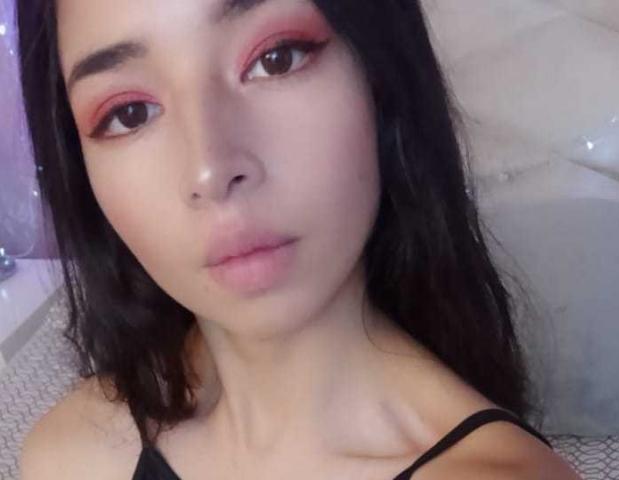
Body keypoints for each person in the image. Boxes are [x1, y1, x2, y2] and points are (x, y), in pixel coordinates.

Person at [17, 0, 581, 478]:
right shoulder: (71, 456)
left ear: (380, 75)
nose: (210, 170)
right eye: (129, 113)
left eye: (277, 58)